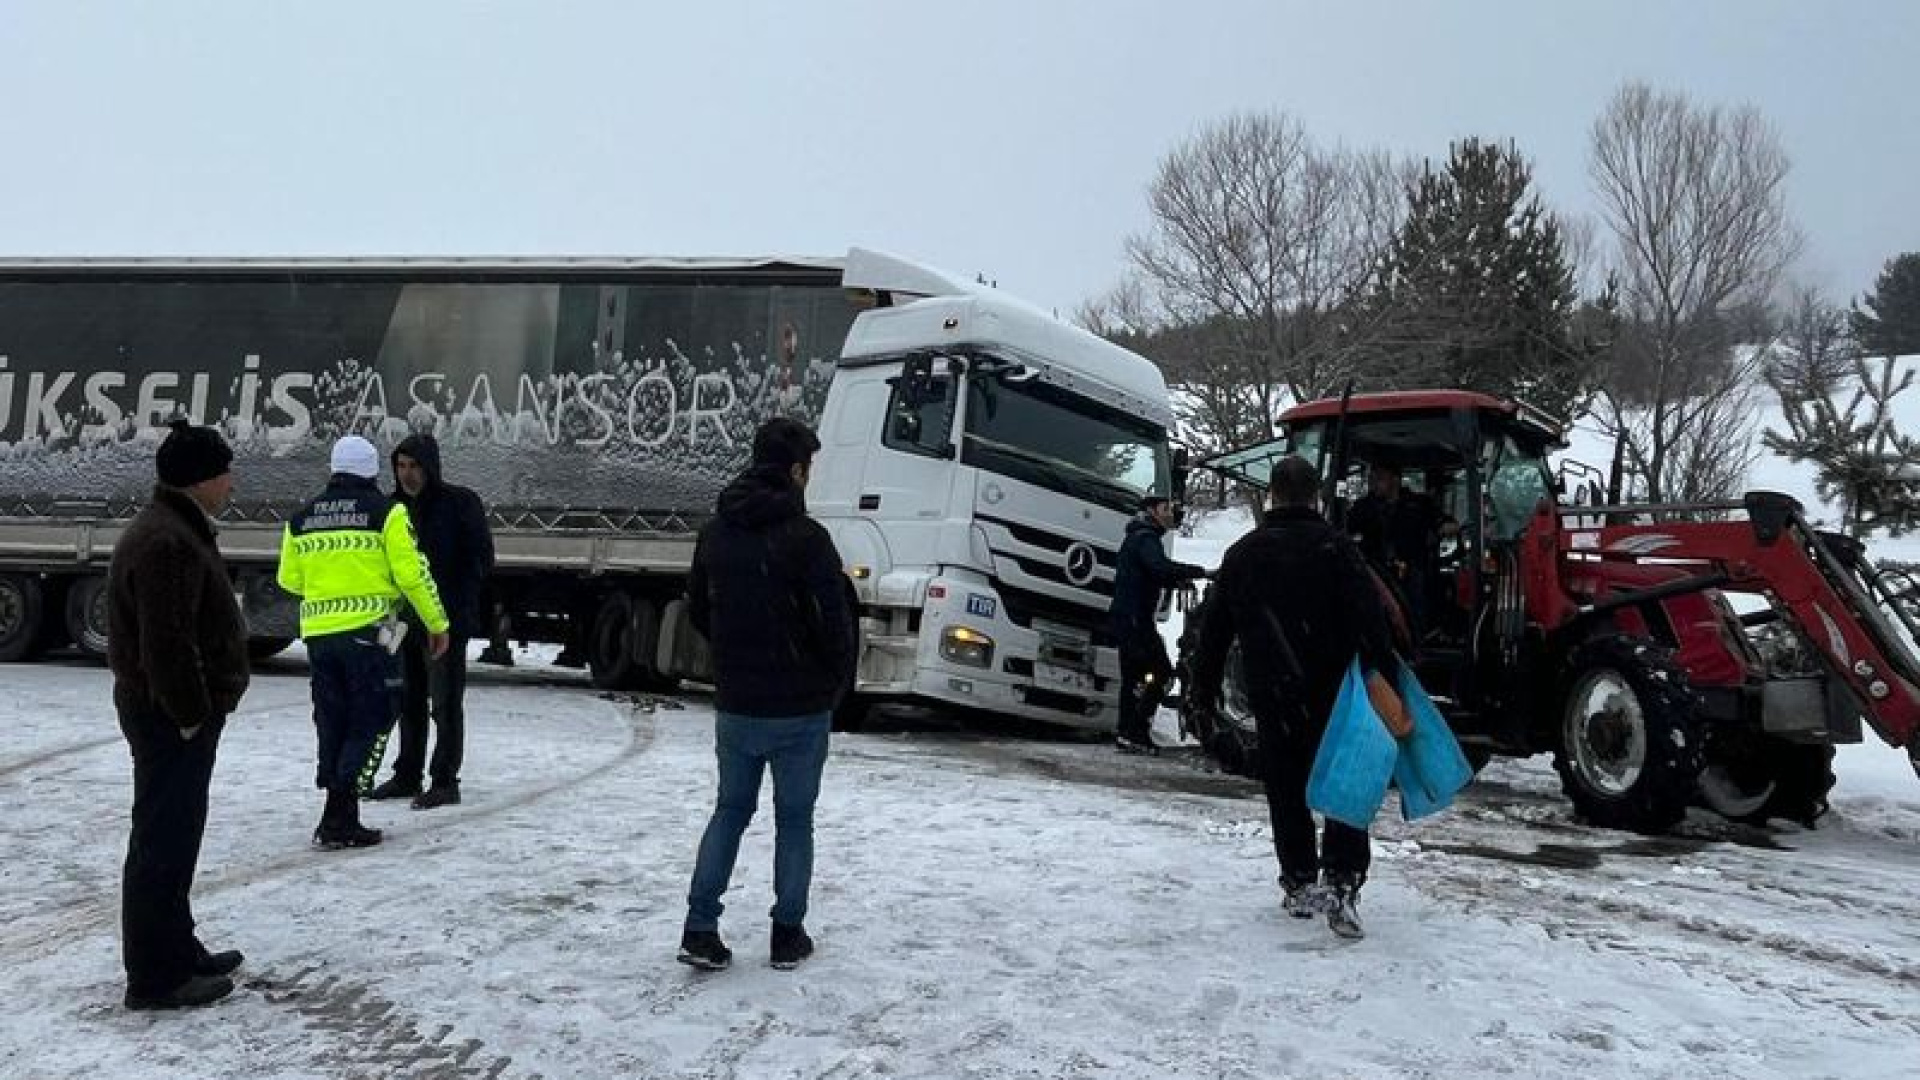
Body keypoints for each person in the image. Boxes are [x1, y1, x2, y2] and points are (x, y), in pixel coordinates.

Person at [1188, 456, 1396, 939]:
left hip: (1273, 692)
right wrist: (1384, 679)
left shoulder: (1244, 555)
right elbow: (1373, 625)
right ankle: (1342, 878)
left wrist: (1202, 692)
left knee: (1286, 787)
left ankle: (1300, 880)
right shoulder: (1338, 551)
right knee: (1344, 781)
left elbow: (1214, 635)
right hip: (1334, 694)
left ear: (1273, 495)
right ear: (1316, 496)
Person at [677, 417, 856, 973]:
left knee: (729, 811)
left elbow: (699, 609)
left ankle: (699, 928)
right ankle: (787, 933)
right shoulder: (809, 540)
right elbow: (835, 624)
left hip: (737, 701)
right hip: (800, 704)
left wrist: (735, 657)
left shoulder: (716, 532)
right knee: (795, 820)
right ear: (797, 470)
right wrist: (831, 681)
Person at [106, 419, 251, 1010]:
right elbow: (165, 644)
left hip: (170, 716)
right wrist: (191, 714)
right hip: (169, 719)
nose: (231, 482)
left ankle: (177, 946)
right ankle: (156, 976)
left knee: (175, 835)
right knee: (162, 842)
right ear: (199, 479)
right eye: (224, 472)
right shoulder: (167, 541)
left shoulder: (175, 528)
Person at [277, 435, 451, 850]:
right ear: (373, 470)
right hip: (372, 635)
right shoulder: (387, 513)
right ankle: (341, 810)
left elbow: (289, 579)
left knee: (332, 720)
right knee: (374, 717)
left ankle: (337, 811)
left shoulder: (301, 518)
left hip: (320, 636)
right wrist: (436, 622)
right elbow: (411, 574)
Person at [367, 433, 494, 810]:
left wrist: (454, 608)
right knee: (404, 699)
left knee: (444, 702)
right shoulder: (390, 508)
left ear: (430, 467)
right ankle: (407, 773)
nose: (407, 474)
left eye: (415, 466)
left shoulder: (460, 503)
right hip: (398, 619)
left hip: (444, 620)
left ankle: (444, 780)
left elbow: (480, 558)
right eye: (401, 466)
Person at [1106, 495, 1208, 753]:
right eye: (1165, 509)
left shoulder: (1137, 537)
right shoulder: (1146, 539)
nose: (1171, 513)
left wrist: (1176, 581)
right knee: (1160, 672)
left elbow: (1152, 574)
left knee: (1134, 677)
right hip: (1136, 620)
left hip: (1127, 618)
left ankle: (1127, 732)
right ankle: (1136, 730)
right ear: (1151, 512)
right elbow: (1160, 568)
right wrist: (1201, 572)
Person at [1346, 463, 1449, 640]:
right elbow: (1346, 528)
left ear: (1395, 480)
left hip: (1411, 566)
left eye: (1379, 478)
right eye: (1371, 479)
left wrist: (1443, 528)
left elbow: (1442, 522)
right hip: (1375, 568)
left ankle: (1416, 638)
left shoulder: (1417, 504)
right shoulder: (1364, 507)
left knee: (1414, 598)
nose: (1373, 483)